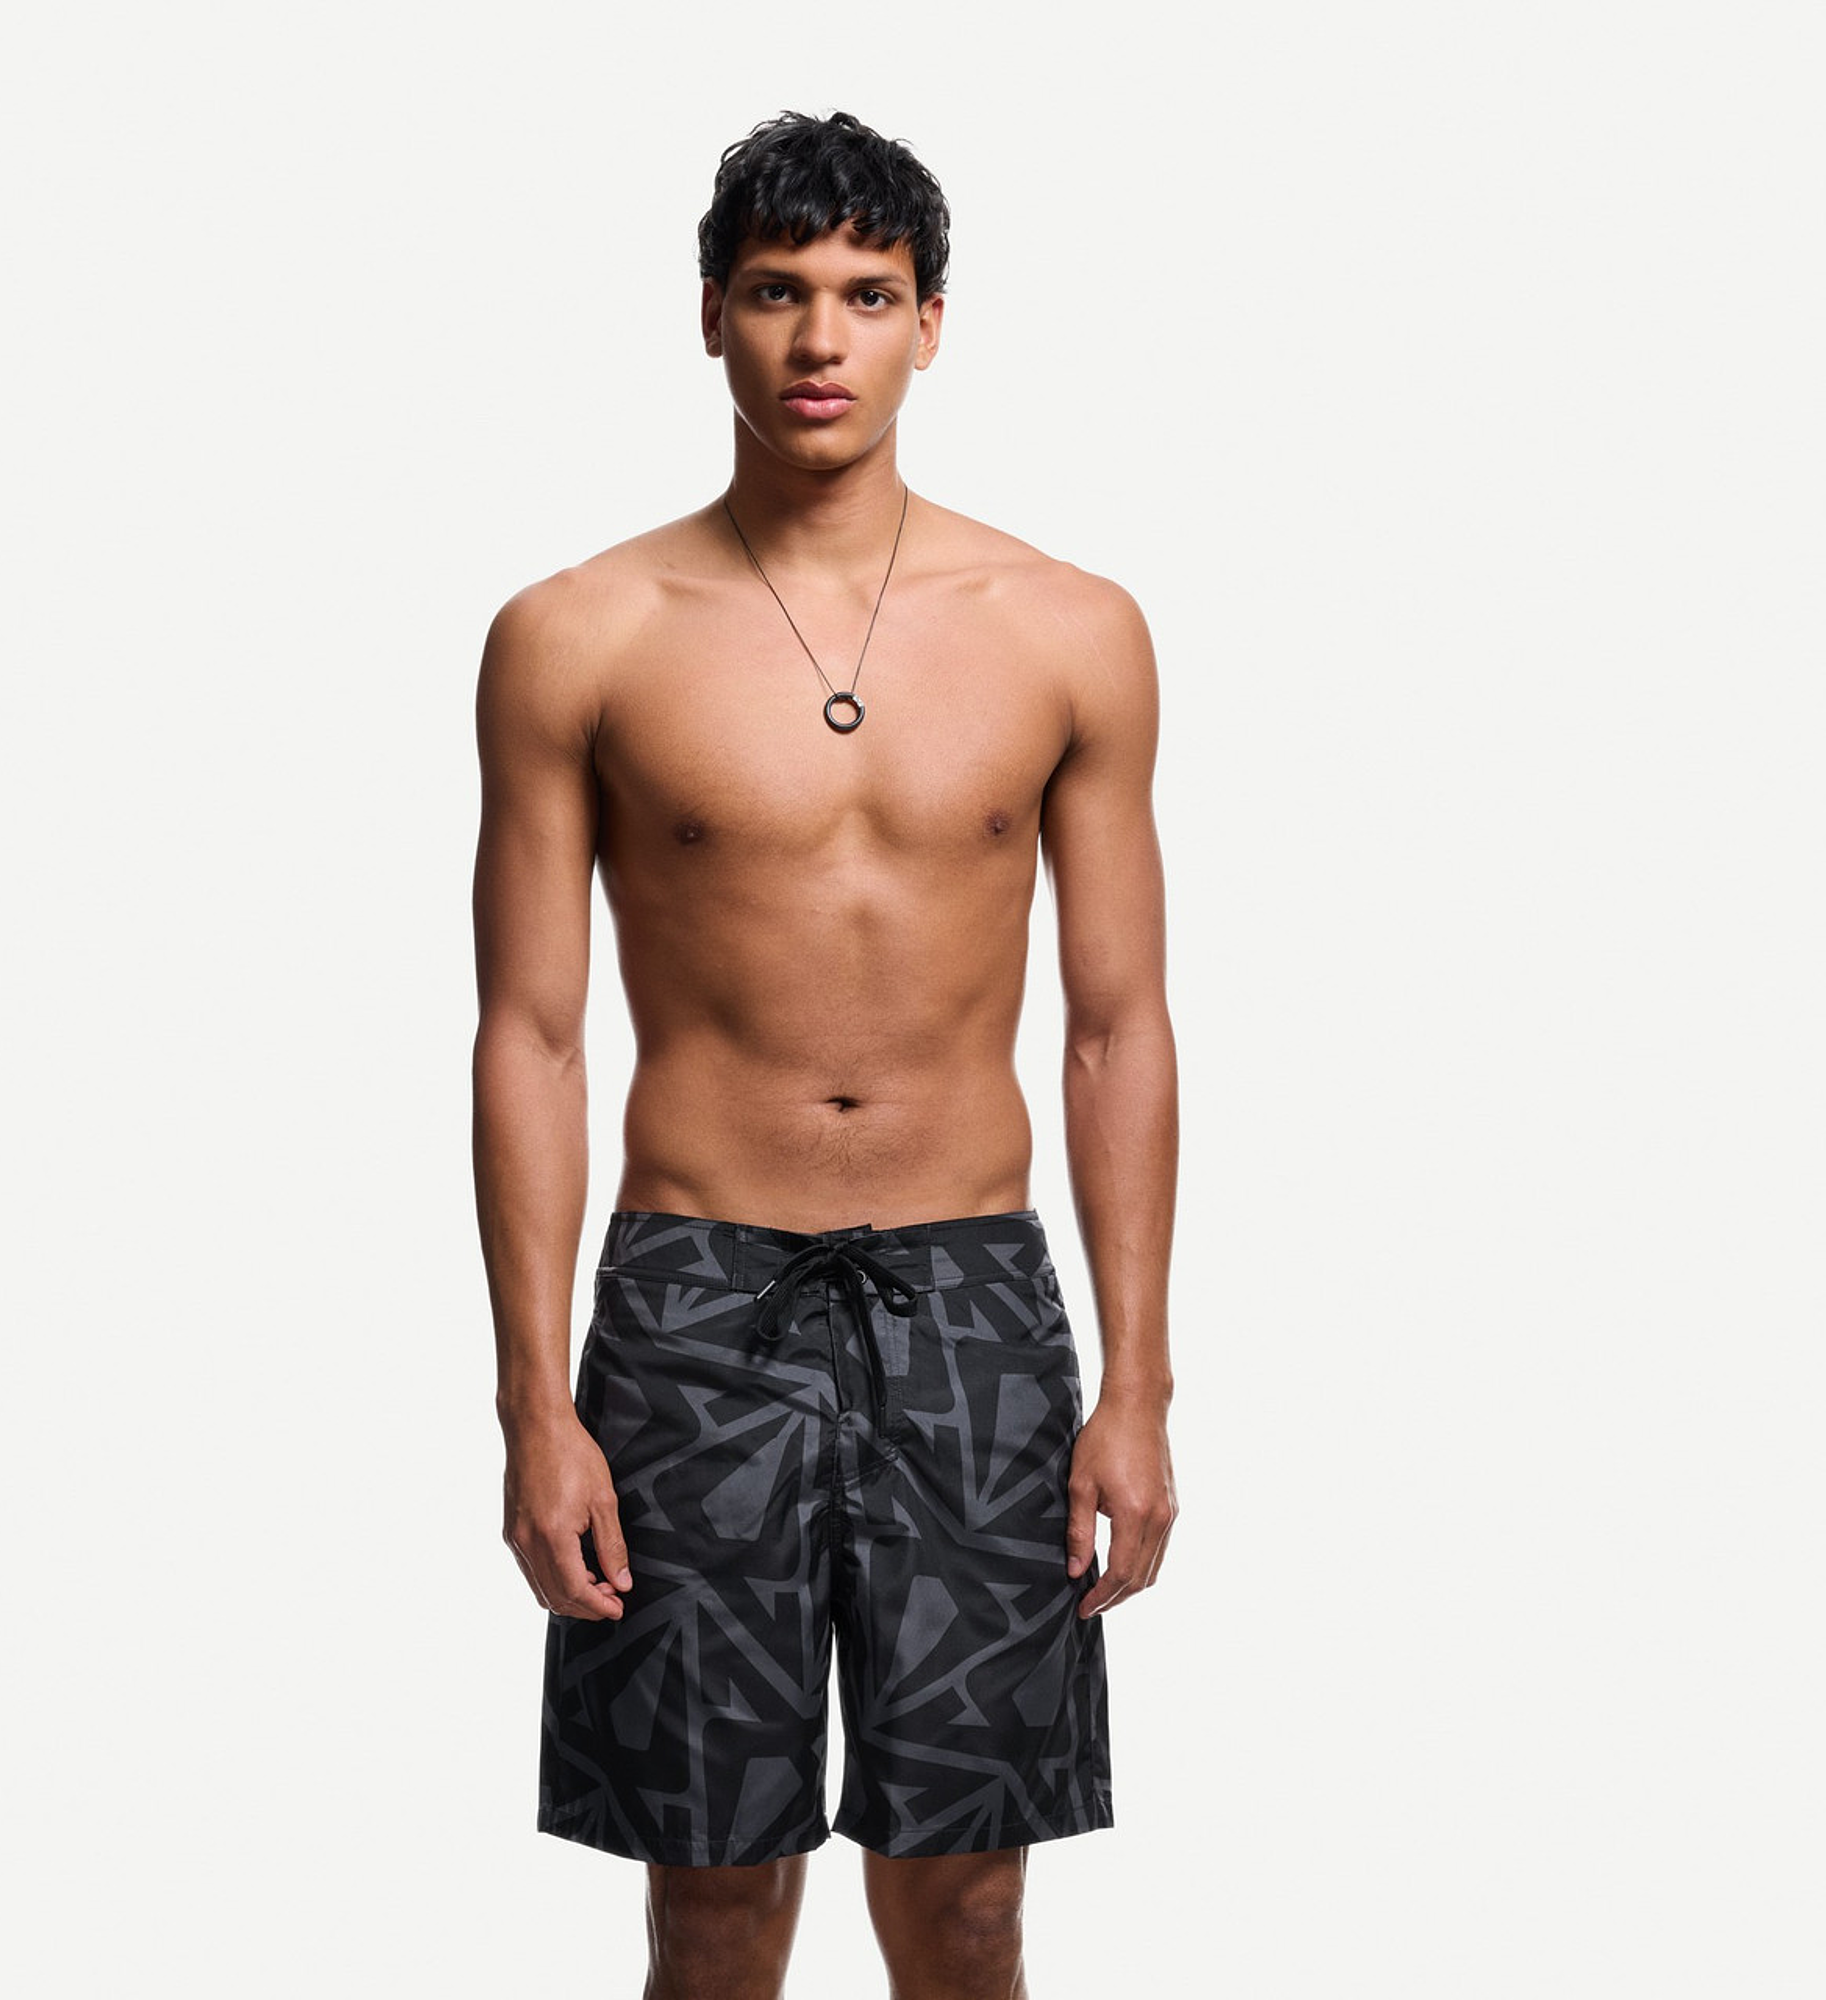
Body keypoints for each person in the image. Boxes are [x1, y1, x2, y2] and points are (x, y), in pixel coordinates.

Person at [471, 107, 1179, 2000]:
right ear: (710, 313)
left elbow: (1118, 1028)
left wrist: (1137, 1385)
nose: (820, 339)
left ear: (931, 324)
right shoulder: (577, 635)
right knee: (711, 1898)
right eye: (779, 291)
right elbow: (531, 1034)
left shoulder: (1070, 629)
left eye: (868, 295)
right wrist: (534, 1403)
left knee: (967, 1899)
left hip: (972, 1305)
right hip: (694, 1306)